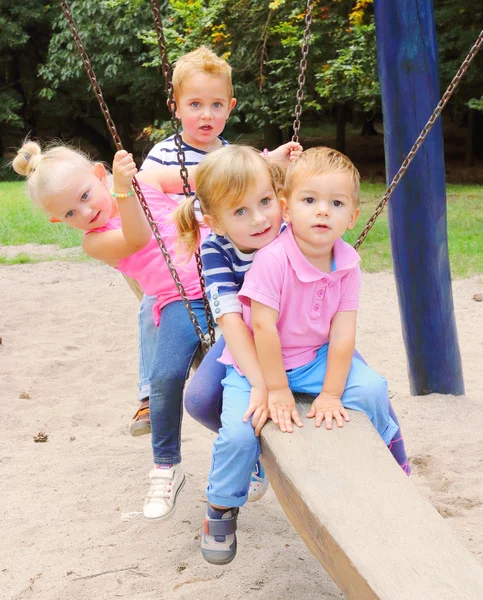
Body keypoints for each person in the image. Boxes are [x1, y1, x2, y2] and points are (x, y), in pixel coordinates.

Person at [185, 146, 410, 565]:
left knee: (372, 389)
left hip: (314, 350)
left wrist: (330, 392)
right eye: (240, 212)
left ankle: (390, 458)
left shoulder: (330, 248)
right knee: (233, 425)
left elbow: (344, 334)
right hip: (250, 348)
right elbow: (251, 327)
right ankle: (222, 504)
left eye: (266, 203)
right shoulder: (256, 255)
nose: (260, 219)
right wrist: (270, 387)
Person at [12, 140, 212, 522]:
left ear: (99, 175)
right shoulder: (95, 241)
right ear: (60, 221)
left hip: (222, 280)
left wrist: (268, 162)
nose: (86, 211)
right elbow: (136, 238)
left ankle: (248, 455)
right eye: (71, 211)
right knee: (166, 375)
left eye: (86, 195)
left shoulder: (148, 180)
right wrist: (122, 191)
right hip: (177, 301)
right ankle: (167, 466)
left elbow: (206, 176)